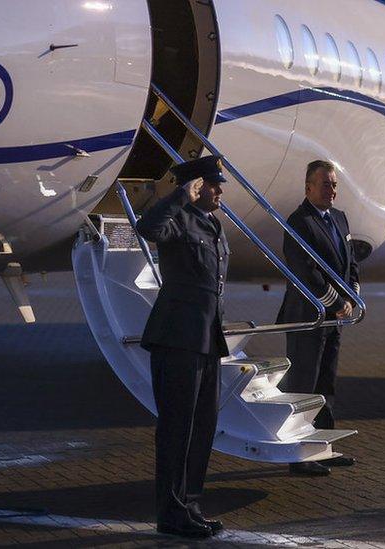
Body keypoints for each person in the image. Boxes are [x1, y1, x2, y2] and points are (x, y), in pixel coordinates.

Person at [136, 156, 230, 539]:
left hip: (207, 339)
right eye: (213, 183)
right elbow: (147, 227)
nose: (220, 190)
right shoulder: (178, 220)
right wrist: (179, 196)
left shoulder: (214, 225)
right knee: (177, 429)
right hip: (177, 338)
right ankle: (171, 513)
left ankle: (190, 506)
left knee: (203, 426)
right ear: (196, 186)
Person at [276, 160, 360, 477]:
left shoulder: (339, 218)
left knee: (326, 386)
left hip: (333, 318)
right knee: (303, 387)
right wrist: (336, 303)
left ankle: (323, 448)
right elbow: (305, 271)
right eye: (325, 184)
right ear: (308, 187)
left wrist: (351, 297)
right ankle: (299, 455)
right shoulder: (298, 222)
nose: (332, 190)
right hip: (307, 317)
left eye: (334, 184)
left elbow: (351, 263)